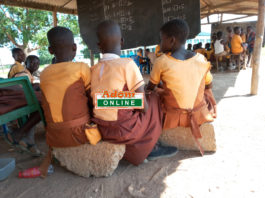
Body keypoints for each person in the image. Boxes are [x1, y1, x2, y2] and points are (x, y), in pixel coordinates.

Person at [90, 20, 178, 165]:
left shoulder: (93, 69)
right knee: (153, 99)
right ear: (122, 41)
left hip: (102, 129)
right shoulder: (127, 64)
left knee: (124, 101)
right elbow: (143, 106)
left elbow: (103, 100)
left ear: (99, 46)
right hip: (123, 130)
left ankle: (144, 142)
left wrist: (126, 100)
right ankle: (152, 146)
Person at [146, 19, 217, 155]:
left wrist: (159, 89)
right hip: (198, 114)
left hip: (173, 115)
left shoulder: (161, 61)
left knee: (150, 96)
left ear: (172, 40)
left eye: (162, 39)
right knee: (205, 92)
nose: (160, 43)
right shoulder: (201, 59)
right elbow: (209, 85)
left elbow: (150, 88)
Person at [39, 26, 101, 176]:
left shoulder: (44, 73)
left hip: (54, 136)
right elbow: (91, 97)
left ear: (50, 51)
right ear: (74, 47)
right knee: (104, 102)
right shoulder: (81, 67)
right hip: (80, 134)